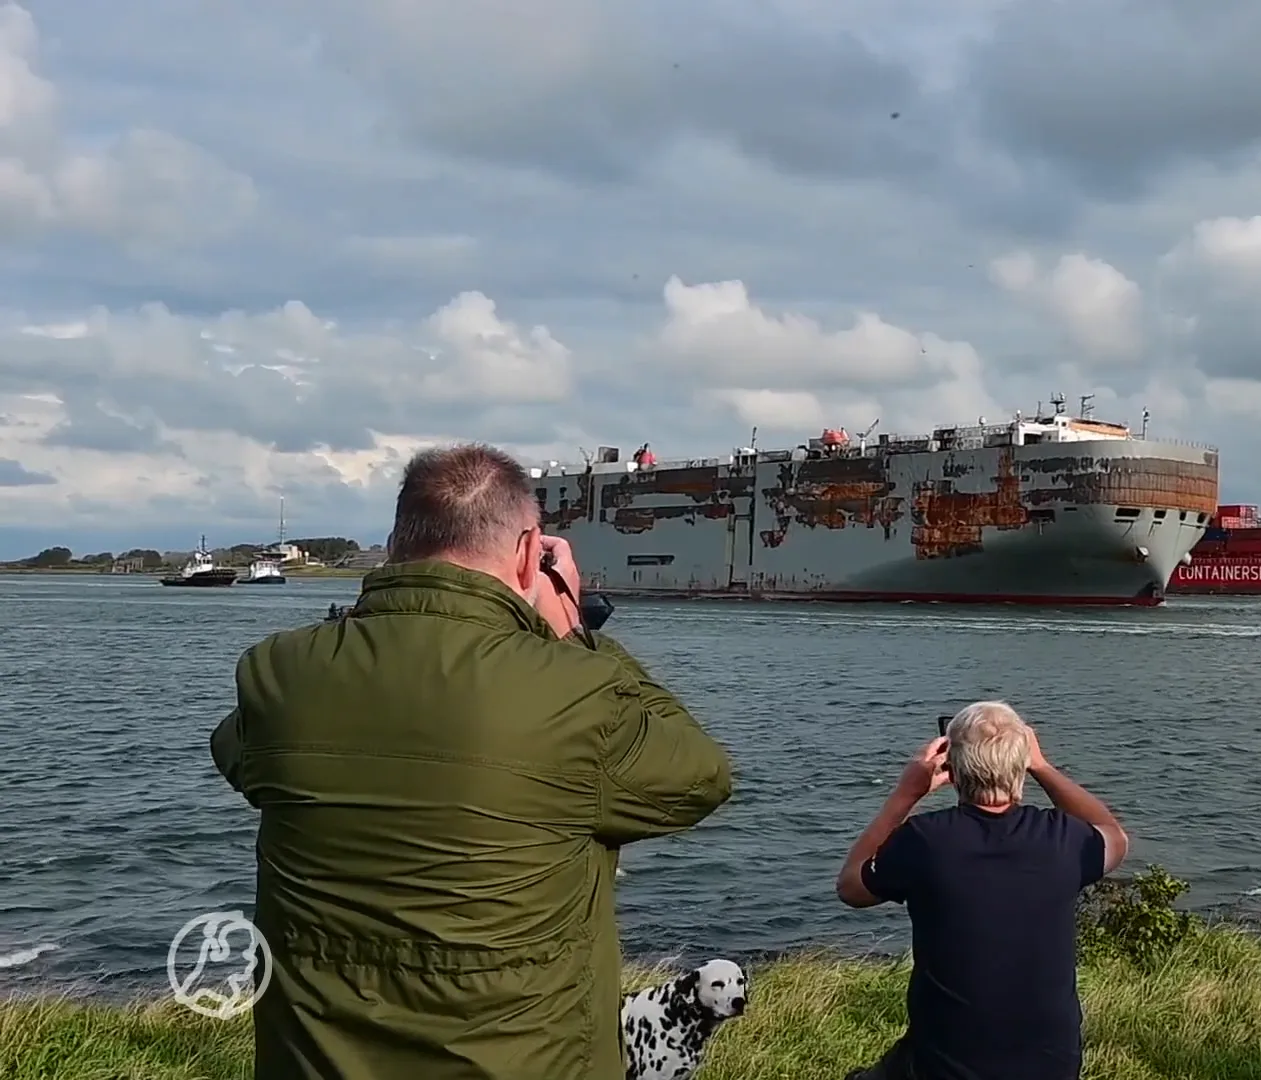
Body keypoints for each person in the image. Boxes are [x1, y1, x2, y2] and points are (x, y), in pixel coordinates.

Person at [209, 443, 735, 1080]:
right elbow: (701, 775)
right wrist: (573, 634)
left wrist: (370, 626)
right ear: (526, 553)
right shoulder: (576, 689)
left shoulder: (278, 674)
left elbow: (237, 753)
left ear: (398, 542)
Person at [834, 701, 1129, 1080]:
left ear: (953, 771)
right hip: (1051, 1065)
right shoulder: (1064, 839)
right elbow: (1114, 837)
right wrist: (1042, 766)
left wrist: (906, 794)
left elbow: (851, 887)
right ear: (1020, 763)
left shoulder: (925, 840)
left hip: (945, 1066)